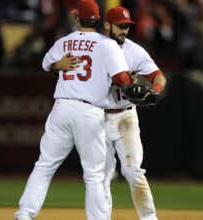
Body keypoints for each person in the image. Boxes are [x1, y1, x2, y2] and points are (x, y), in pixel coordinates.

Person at [14, 1, 132, 220]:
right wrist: (133, 86)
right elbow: (121, 79)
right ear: (97, 20)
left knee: (45, 165)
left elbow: (46, 63)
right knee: (94, 174)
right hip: (89, 112)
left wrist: (58, 65)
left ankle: (25, 214)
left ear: (78, 18)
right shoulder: (108, 45)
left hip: (62, 108)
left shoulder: (64, 42)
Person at [52, 6, 167, 220]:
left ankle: (149, 218)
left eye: (127, 27)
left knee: (133, 171)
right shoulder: (94, 47)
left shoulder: (134, 50)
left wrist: (156, 91)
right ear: (107, 24)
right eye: (120, 26)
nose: (124, 30)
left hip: (125, 117)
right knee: (102, 175)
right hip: (97, 116)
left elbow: (159, 76)